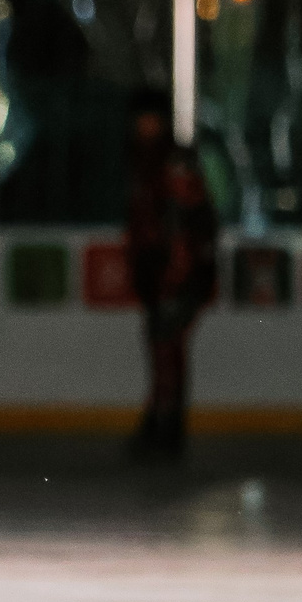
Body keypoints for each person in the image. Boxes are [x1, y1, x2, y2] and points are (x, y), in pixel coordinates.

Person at [124, 88, 217, 458]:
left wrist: (180, 274)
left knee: (168, 349)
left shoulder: (172, 163)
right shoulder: (143, 162)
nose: (143, 126)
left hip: (176, 274)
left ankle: (166, 428)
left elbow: (187, 220)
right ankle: (161, 424)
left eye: (149, 119)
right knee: (162, 348)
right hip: (158, 272)